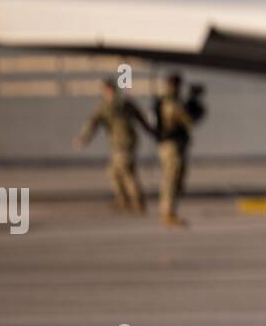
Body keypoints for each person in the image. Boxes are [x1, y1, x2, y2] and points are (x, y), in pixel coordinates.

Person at [74, 78, 154, 213]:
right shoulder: (124, 103)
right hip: (121, 143)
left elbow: (92, 123)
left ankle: (137, 202)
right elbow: (141, 119)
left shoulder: (110, 105)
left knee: (126, 172)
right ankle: (124, 201)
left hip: (123, 143)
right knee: (114, 172)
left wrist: (83, 139)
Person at [154, 72, 199, 228]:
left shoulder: (166, 101)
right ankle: (168, 213)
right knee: (171, 180)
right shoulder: (171, 103)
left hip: (171, 146)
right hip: (171, 147)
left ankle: (169, 211)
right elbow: (188, 120)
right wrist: (193, 102)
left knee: (175, 179)